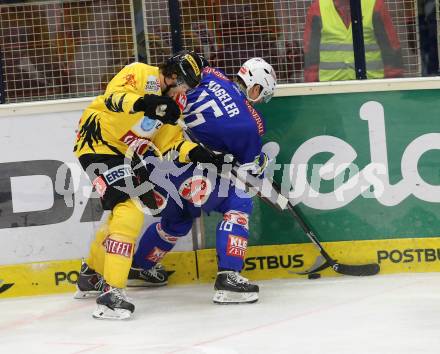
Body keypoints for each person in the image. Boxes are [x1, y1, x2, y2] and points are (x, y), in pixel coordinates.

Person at [73, 50, 213, 320]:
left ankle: (91, 274)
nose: (184, 90)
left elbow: (169, 144)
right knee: (130, 209)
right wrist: (148, 104)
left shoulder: (176, 101)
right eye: (183, 83)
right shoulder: (140, 73)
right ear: (171, 75)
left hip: (127, 154)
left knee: (124, 211)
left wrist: (197, 152)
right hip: (96, 144)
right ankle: (111, 295)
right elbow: (113, 99)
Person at [131, 58, 277, 304]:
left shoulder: (211, 74)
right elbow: (251, 172)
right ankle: (229, 277)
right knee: (239, 202)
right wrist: (260, 163)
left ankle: (139, 267)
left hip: (156, 160)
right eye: (263, 95)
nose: (261, 101)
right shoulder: (249, 124)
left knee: (178, 219)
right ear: (255, 88)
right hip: (189, 163)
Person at [303, 0, 404, 82]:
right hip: (330, 88)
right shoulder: (317, 9)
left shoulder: (375, 5)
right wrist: (312, 88)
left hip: (371, 85)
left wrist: (393, 85)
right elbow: (311, 53)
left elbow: (391, 47)